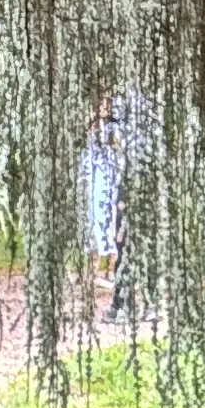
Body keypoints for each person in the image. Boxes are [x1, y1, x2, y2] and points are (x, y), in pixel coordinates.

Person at [78, 86, 154, 323]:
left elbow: (124, 146)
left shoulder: (130, 112)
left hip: (130, 185)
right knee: (127, 244)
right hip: (125, 185)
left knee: (133, 243)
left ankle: (134, 304)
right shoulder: (109, 123)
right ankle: (128, 303)